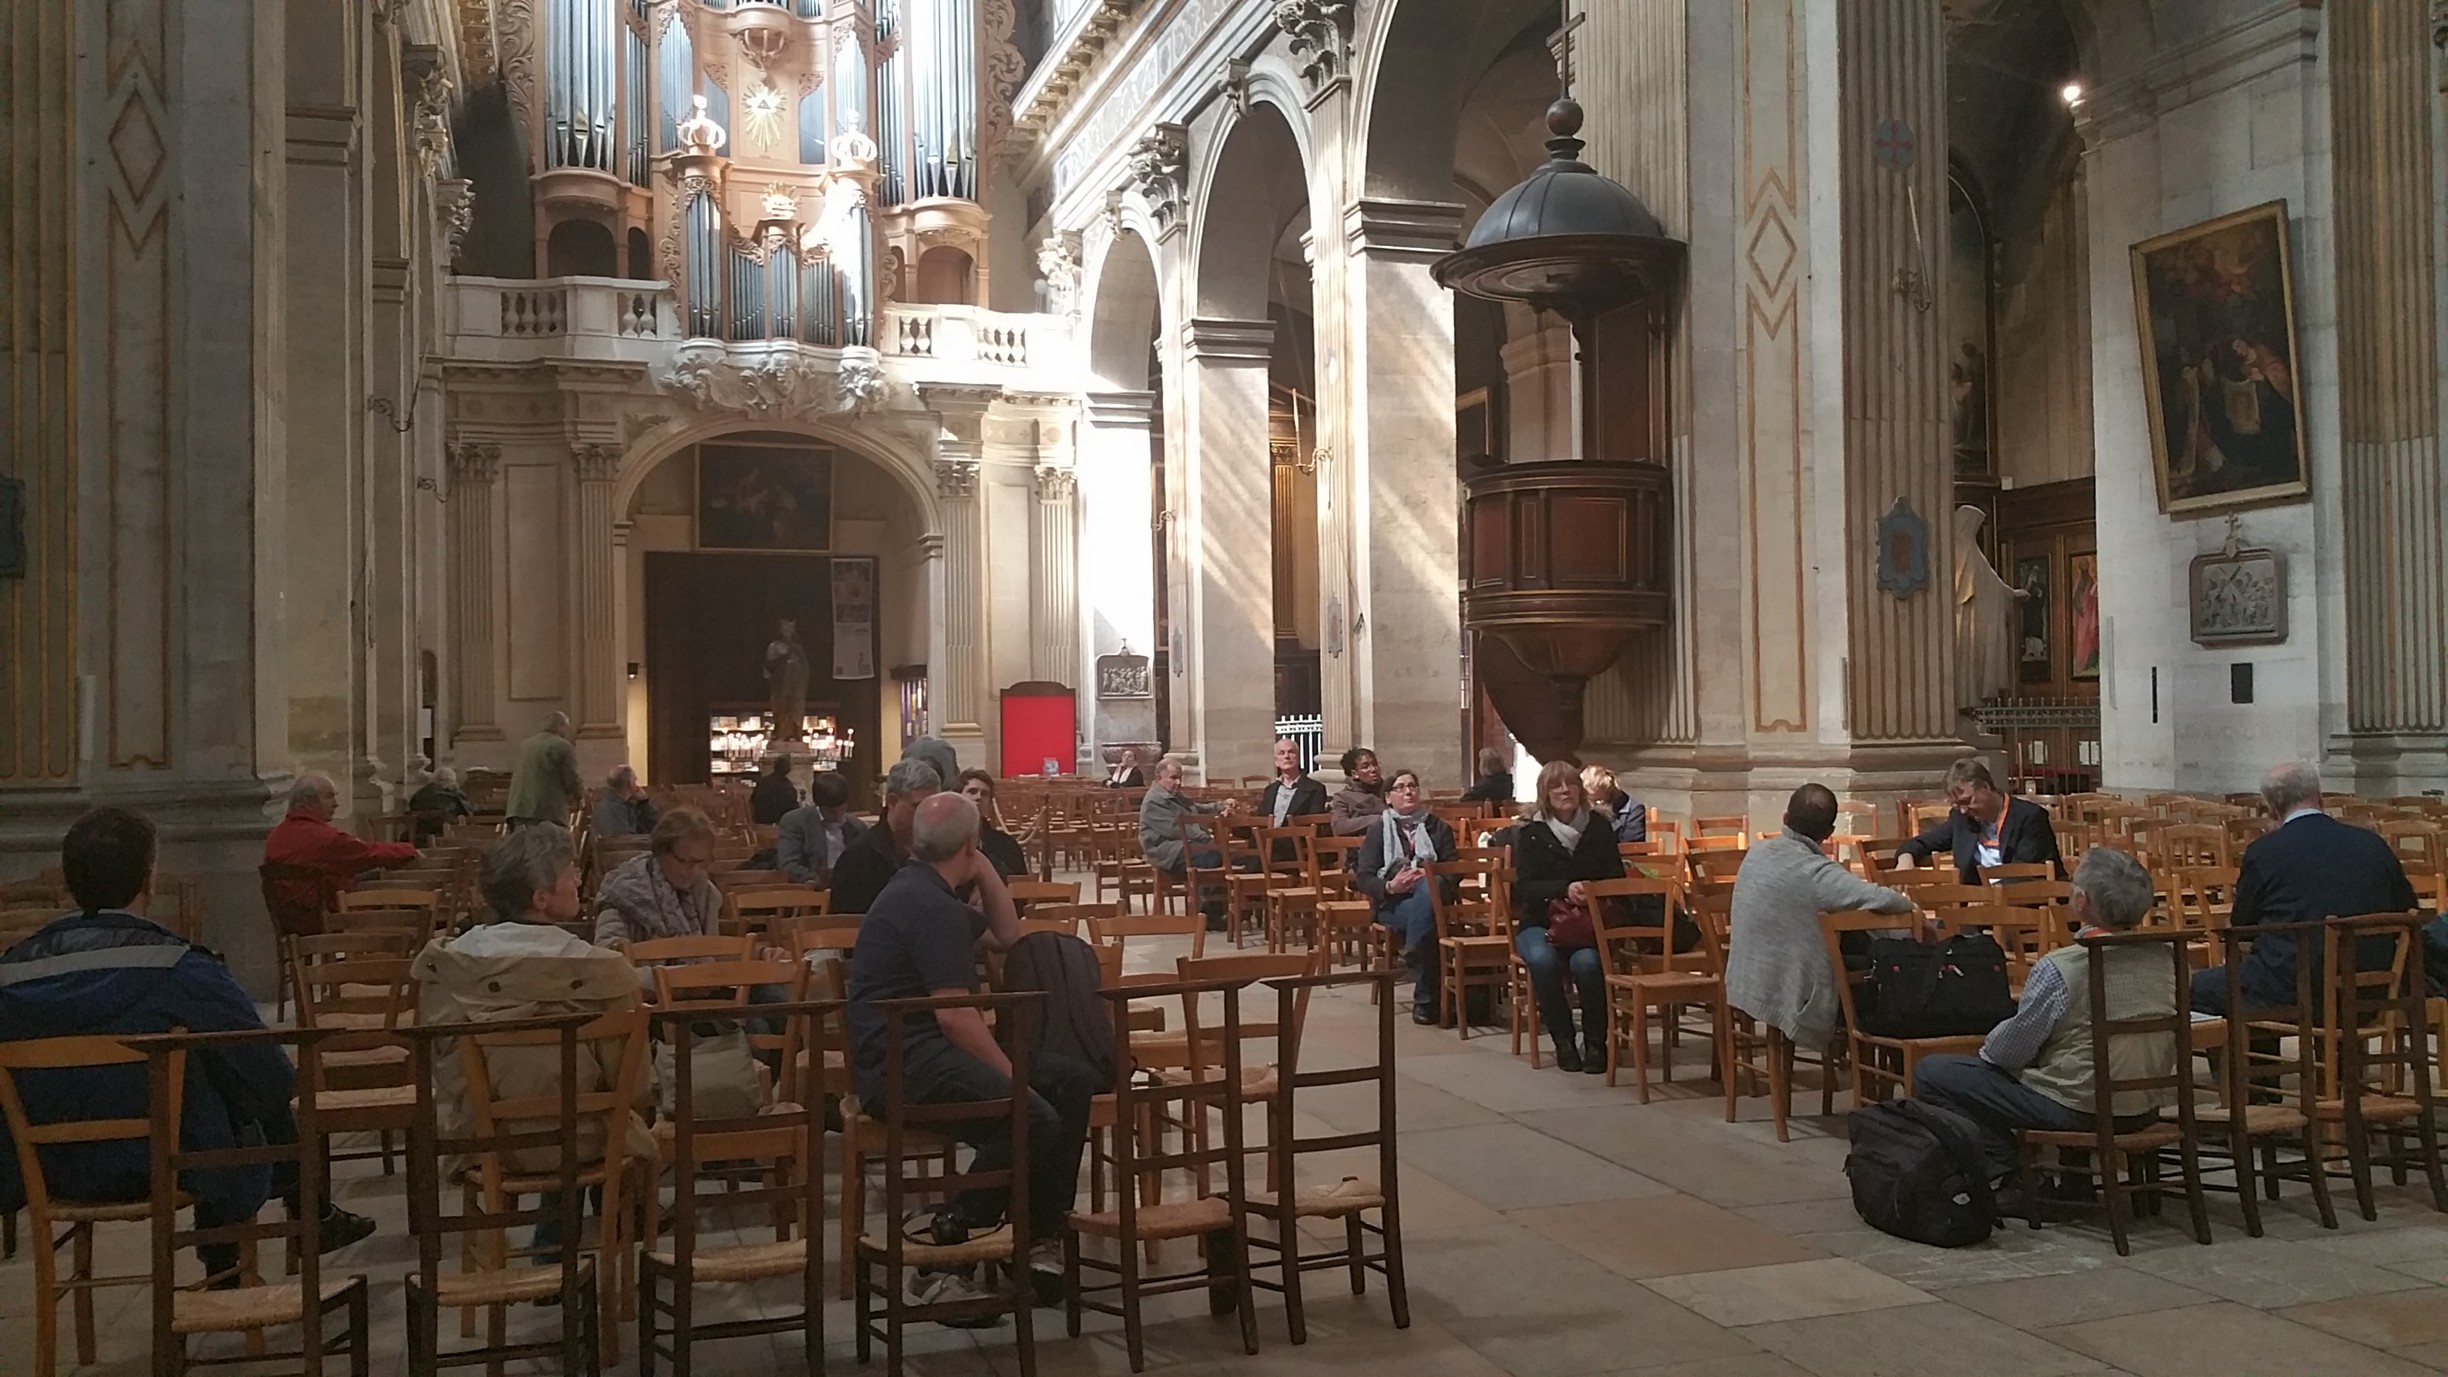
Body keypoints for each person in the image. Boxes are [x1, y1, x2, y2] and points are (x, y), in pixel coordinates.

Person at [0, 808, 377, 1278]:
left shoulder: (11, 972)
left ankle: (295, 1227)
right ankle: (230, 1262)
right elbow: (271, 1078)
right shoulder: (180, 968)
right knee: (231, 1079)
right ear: (150, 879)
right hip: (169, 1162)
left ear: (69, 884)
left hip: (43, 1169)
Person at [847, 792, 1094, 1304]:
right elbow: (955, 1017)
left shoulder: (924, 889)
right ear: (969, 842)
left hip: (925, 1051)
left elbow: (1008, 935)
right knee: (1030, 1114)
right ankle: (945, 1256)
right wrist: (1013, 1079)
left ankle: (1036, 1238)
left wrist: (980, 867)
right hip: (901, 1063)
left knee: (1070, 1081)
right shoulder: (930, 906)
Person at [413, 823, 654, 1258]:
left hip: (488, 1141)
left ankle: (547, 1251)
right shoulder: (600, 969)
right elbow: (631, 1081)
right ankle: (607, 1238)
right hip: (587, 1138)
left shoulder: (451, 964)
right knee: (598, 1110)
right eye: (569, 871)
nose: (578, 879)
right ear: (541, 897)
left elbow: (446, 1067)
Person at [1915, 848, 2175, 1186]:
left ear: (2081, 901)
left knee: (1933, 1072)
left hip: (2078, 1107)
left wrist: (1992, 1044)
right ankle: (2071, 1182)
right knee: (2059, 1063)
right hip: (2143, 1106)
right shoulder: (2167, 957)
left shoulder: (2064, 966)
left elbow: (2006, 1053)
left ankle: (2009, 1166)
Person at [2190, 761, 2415, 1016]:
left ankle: (2262, 1043)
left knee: (2191, 987)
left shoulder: (2265, 851)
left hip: (2293, 991)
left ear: (2272, 809)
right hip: (2371, 992)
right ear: (2320, 797)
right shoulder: (2372, 844)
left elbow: (2243, 926)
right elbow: (2407, 908)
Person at [1724, 784, 1918, 1054]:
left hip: (1747, 979)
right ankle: (1885, 1064)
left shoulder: (1756, 852)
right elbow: (1883, 898)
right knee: (1893, 984)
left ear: (1785, 818)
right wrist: (1917, 914)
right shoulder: (1816, 872)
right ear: (1829, 833)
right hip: (1786, 990)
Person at [1509, 762, 1625, 1069]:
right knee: (1543, 961)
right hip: (1541, 921)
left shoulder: (1598, 827)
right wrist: (1564, 889)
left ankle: (1596, 1044)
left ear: (1580, 789)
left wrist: (1591, 890)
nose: (1564, 791)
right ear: (1545, 793)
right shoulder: (1532, 833)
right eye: (1556, 786)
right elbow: (1525, 887)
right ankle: (1563, 1040)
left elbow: (1616, 876)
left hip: (1586, 924)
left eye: (1570, 784)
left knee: (1588, 965)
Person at [1351, 769, 1459, 1027]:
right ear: (1388, 797)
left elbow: (1455, 871)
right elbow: (1363, 878)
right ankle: (1425, 1001)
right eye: (1400, 787)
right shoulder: (1379, 830)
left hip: (1433, 899)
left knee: (1428, 891)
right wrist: (1390, 885)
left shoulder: (1438, 827)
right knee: (1428, 922)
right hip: (1394, 904)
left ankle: (1414, 951)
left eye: (1412, 786)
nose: (1408, 791)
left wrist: (1427, 874)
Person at [262, 772, 420, 938]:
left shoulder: (275, 836)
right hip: (328, 921)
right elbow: (368, 853)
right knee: (402, 907)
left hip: (290, 925)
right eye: (329, 797)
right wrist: (409, 850)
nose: (336, 804)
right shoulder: (324, 837)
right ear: (308, 802)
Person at [1895, 758, 2062, 883]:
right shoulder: (1961, 819)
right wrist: (1906, 857)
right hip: (1976, 907)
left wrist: (1986, 897)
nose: (1963, 810)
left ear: (1985, 787)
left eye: (1967, 801)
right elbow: (1922, 842)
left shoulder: (2029, 817)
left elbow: (2024, 873)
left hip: (2029, 907)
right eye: (1957, 804)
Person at [592, 806, 723, 950]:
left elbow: (715, 951)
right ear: (661, 852)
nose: (695, 871)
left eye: (702, 862)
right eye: (685, 861)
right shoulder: (624, 890)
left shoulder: (706, 893)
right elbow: (607, 951)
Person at [829, 758, 943, 914]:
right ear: (892, 801)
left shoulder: (936, 851)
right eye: (918, 807)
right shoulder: (859, 858)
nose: (927, 816)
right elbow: (848, 923)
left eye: (932, 808)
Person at [1138, 756, 1232, 925]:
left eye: (1180, 778)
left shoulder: (1173, 795)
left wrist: (1220, 806)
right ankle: (1207, 914)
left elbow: (1196, 809)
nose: (1179, 782)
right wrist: (1206, 839)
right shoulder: (1154, 801)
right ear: (1159, 778)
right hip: (1167, 851)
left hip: (1185, 846)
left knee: (1228, 856)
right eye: (1173, 778)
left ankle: (1222, 910)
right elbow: (1176, 829)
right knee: (1214, 857)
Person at [778, 771, 867, 885]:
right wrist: (818, 880)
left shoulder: (857, 827)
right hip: (811, 888)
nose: (838, 816)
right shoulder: (796, 822)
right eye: (831, 812)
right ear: (819, 806)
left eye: (842, 810)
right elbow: (788, 864)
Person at [506, 711, 583, 828]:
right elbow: (572, 778)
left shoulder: (525, 745)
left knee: (523, 839)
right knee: (548, 839)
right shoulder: (562, 745)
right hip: (546, 811)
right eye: (567, 727)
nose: (568, 731)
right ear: (560, 726)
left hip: (518, 809)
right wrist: (579, 797)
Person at [955, 769, 1032, 879]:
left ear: (990, 803)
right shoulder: (945, 841)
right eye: (972, 791)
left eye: (984, 794)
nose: (978, 797)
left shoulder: (1007, 845)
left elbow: (1020, 883)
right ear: (958, 797)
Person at [1256, 737, 1329, 826]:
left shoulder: (1316, 789)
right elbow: (1260, 822)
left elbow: (1314, 825)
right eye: (1281, 753)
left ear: (1298, 758)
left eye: (1291, 752)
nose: (1286, 756)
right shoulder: (1269, 790)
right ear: (1276, 761)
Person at [1582, 764, 1649, 845]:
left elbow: (1631, 845)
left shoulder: (1634, 810)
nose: (1594, 805)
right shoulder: (1584, 809)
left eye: (1599, 800)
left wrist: (1605, 817)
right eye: (1591, 801)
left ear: (1610, 791)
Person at [1328, 747, 1387, 838]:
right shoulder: (1343, 797)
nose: (1373, 770)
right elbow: (1339, 827)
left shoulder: (1390, 789)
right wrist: (1378, 819)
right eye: (1365, 767)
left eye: (1375, 764)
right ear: (1355, 773)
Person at [408, 765, 475, 844]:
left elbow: (412, 808)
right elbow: (468, 812)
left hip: (420, 832)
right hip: (447, 833)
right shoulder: (455, 793)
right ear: (452, 780)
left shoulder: (421, 793)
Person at [590, 764, 659, 841]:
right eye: (635, 780)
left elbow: (654, 827)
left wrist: (644, 802)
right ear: (630, 784)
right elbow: (623, 840)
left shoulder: (611, 803)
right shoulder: (614, 808)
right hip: (622, 847)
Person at [750, 754, 800, 828]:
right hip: (778, 823)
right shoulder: (786, 785)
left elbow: (753, 800)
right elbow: (791, 806)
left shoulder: (763, 781)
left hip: (760, 821)